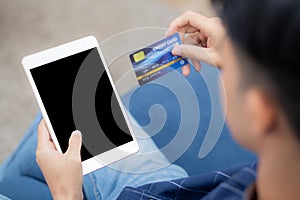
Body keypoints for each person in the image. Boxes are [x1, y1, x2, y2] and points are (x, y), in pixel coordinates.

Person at [1, 0, 300, 199]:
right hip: (174, 189)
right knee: (66, 117)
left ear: (259, 110)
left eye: (232, 61)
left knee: (53, 124)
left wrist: (68, 194)